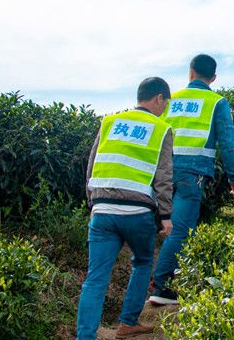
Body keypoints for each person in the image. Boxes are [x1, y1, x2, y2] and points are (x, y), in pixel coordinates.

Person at [77, 77, 174, 339]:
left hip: (102, 210)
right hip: (137, 212)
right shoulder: (161, 128)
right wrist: (165, 215)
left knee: (95, 277)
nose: (164, 109)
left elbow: (92, 164)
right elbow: (164, 176)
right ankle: (127, 323)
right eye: (165, 103)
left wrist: (93, 202)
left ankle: (85, 336)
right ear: (159, 99)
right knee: (142, 262)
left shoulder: (109, 122)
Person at [148, 54, 234, 305]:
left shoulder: (169, 99)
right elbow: (228, 142)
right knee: (180, 230)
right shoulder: (216, 102)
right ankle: (161, 287)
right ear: (213, 78)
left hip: (160, 172)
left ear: (190, 73)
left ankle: (159, 277)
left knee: (160, 226)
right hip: (192, 173)